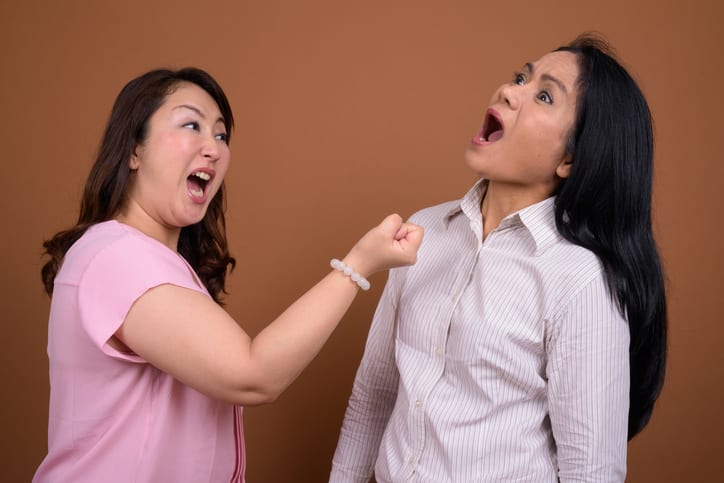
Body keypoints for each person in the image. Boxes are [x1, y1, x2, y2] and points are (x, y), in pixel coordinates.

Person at [33, 67, 423, 483]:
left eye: (221, 135)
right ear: (134, 150)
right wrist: (357, 266)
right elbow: (253, 376)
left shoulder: (150, 260)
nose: (214, 149)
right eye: (191, 125)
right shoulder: (118, 257)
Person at [330, 33, 667, 482]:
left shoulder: (579, 280)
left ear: (569, 159)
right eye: (521, 78)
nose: (509, 91)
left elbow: (592, 472)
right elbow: (374, 395)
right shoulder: (422, 232)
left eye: (544, 96)